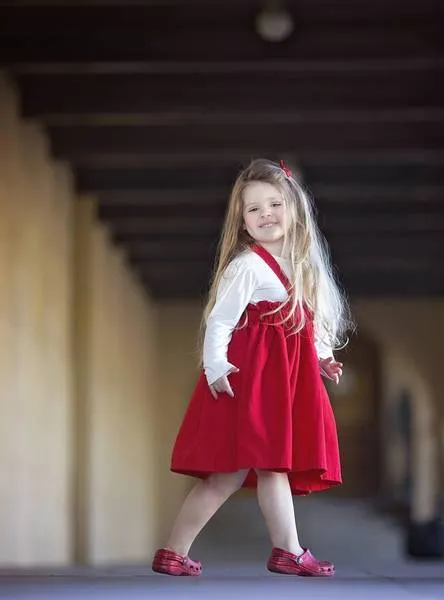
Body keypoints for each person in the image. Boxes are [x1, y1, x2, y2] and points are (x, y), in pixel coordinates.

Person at [152, 158, 353, 578]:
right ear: (242, 222)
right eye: (254, 209)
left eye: (274, 204)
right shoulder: (247, 265)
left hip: (278, 382)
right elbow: (221, 320)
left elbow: (302, 324)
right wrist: (216, 367)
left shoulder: (301, 268)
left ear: (294, 209)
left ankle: (181, 551)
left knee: (245, 472)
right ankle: (286, 552)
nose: (265, 215)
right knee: (245, 471)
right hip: (247, 380)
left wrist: (321, 357)